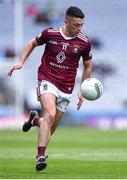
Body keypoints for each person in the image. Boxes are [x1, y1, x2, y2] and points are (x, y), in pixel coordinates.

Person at [8, 6, 92, 171]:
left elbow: (87, 65)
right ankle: (40, 156)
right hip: (47, 79)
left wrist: (82, 88)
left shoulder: (84, 42)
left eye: (82, 25)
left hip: (66, 87)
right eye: (76, 25)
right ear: (66, 21)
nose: (79, 28)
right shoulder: (50, 34)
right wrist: (20, 62)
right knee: (50, 114)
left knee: (51, 127)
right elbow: (32, 43)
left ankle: (35, 120)